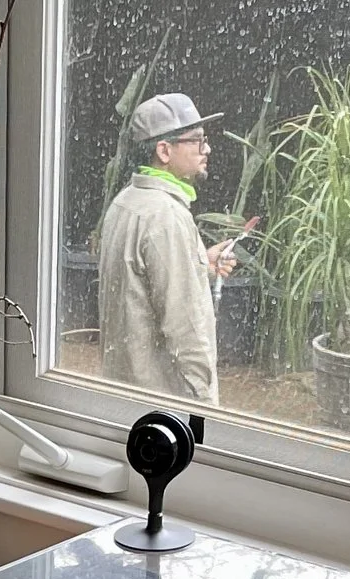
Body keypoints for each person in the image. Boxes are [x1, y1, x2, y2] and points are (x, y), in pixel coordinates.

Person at [97, 93, 242, 404]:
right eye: (198, 140)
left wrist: (201, 263)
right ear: (164, 149)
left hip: (124, 392)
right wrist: (206, 406)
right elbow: (185, 328)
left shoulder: (125, 202)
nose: (208, 149)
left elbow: (138, 286)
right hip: (164, 404)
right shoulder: (167, 218)